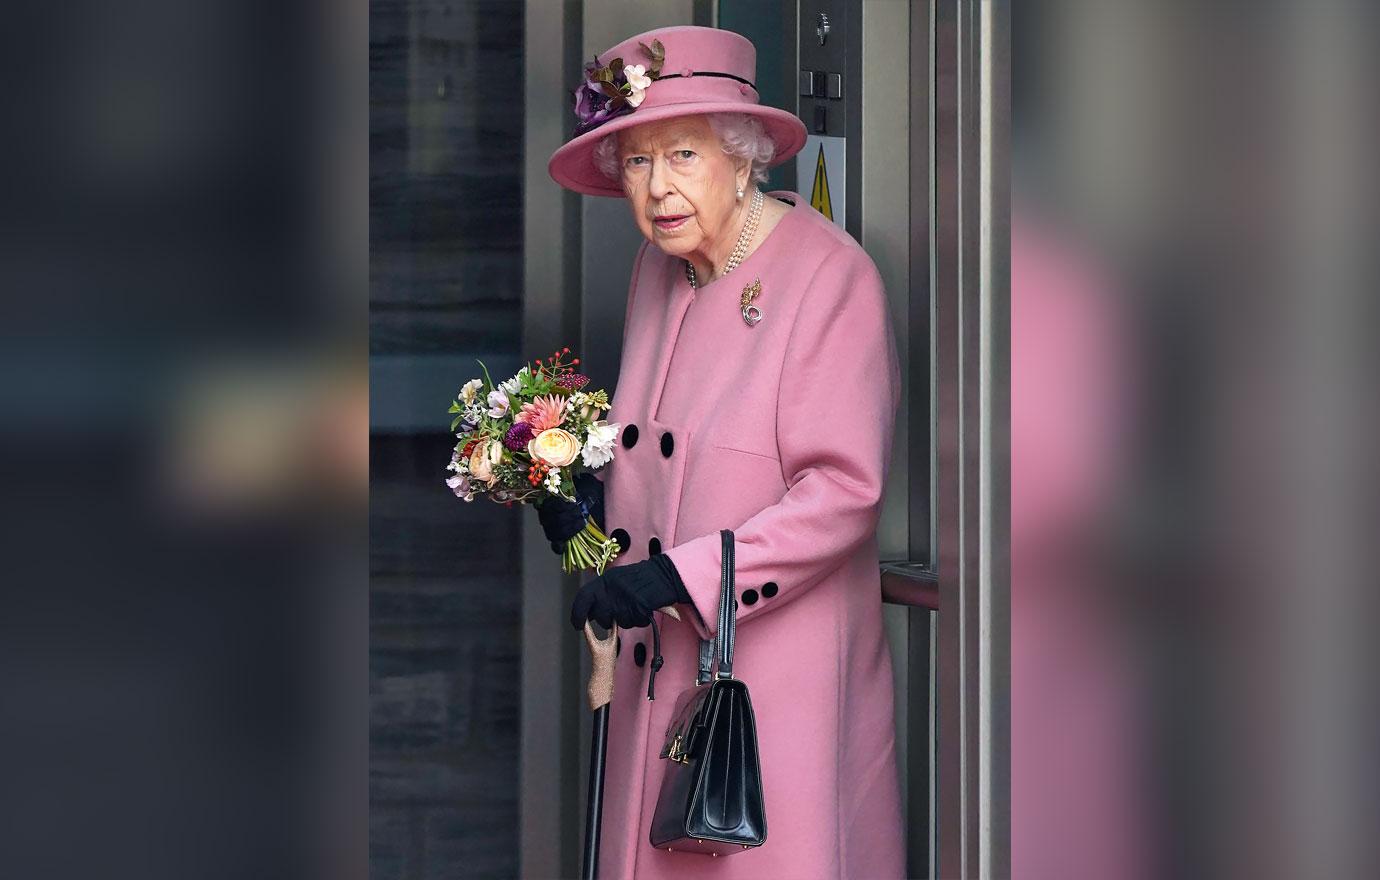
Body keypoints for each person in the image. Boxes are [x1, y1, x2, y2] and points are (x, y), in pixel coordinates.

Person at [542, 25, 904, 879]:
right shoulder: (657, 269)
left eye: (682, 156)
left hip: (770, 682)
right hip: (657, 670)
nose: (657, 188)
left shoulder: (829, 278)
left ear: (743, 159)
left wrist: (680, 578)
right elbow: (665, 452)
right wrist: (588, 507)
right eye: (636, 161)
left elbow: (844, 491)